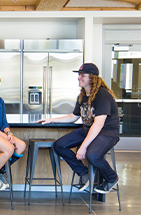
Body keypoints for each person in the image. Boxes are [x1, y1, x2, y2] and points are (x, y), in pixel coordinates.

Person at [37, 63, 120, 193]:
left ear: (92, 78)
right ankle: (85, 173)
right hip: (89, 130)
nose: (79, 77)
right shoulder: (83, 95)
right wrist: (52, 119)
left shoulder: (102, 95)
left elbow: (98, 124)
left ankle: (111, 178)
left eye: (82, 75)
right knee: (59, 145)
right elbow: (73, 116)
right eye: (79, 75)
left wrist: (83, 147)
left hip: (107, 133)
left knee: (92, 155)